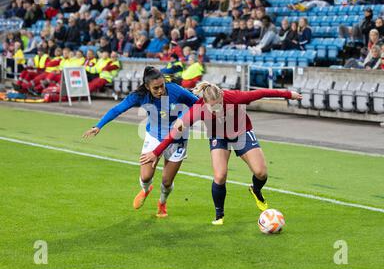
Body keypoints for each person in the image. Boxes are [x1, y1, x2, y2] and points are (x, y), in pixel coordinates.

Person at [140, 82, 302, 225]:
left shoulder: (235, 97)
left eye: (219, 104)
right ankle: (219, 215)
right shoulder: (197, 109)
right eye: (213, 107)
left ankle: (256, 189)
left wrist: (289, 94)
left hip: (241, 132)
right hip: (218, 137)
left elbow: (262, 93)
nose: (217, 109)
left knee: (261, 172)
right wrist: (156, 152)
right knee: (220, 176)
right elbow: (175, 132)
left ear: (222, 96)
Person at [83, 66, 198, 217]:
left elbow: (198, 104)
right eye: (155, 88)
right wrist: (98, 126)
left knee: (166, 181)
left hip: (177, 139)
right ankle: (146, 190)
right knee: (145, 177)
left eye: (162, 86)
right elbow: (118, 109)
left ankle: (162, 203)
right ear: (147, 86)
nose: (160, 91)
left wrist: (184, 117)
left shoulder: (175, 90)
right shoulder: (139, 95)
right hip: (154, 136)